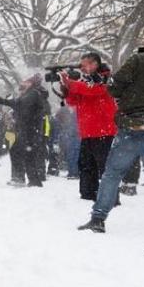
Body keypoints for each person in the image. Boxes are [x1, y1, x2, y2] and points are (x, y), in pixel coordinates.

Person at [78, 24, 144, 233]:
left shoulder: (140, 59)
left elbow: (114, 87)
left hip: (132, 126)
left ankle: (98, 219)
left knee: (112, 174)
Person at [60, 53, 118, 200]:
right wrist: (65, 88)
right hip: (87, 132)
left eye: (85, 64)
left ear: (95, 64)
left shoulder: (106, 77)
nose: (82, 68)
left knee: (105, 167)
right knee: (86, 165)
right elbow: (74, 101)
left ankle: (110, 197)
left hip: (104, 131)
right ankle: (87, 194)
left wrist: (71, 83)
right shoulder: (84, 81)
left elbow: (94, 90)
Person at [0, 74, 48, 187]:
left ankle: (26, 179)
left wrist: (4, 101)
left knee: (22, 153)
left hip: (30, 130)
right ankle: (29, 180)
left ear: (30, 83)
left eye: (25, 81)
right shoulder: (29, 94)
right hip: (27, 129)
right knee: (25, 154)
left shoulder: (33, 93)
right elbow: (18, 103)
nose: (22, 83)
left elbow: (19, 104)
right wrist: (3, 101)